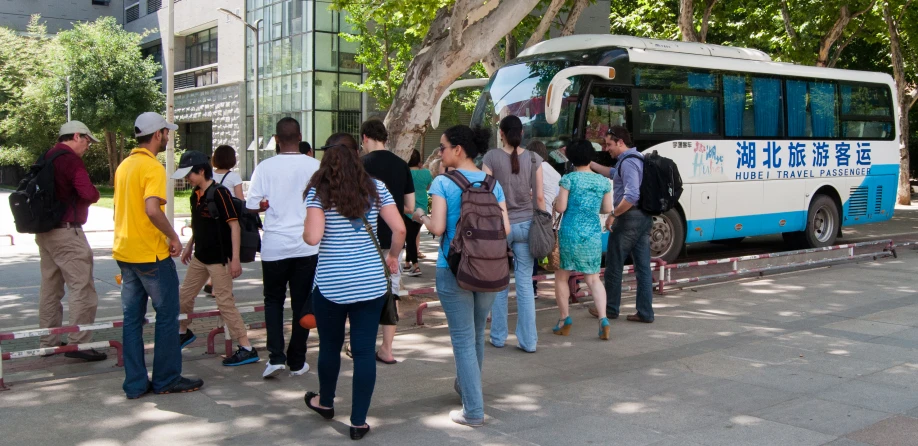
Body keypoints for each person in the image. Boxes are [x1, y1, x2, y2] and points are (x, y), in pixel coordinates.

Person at [302, 133, 406, 441]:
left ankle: (325, 402)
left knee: (330, 347)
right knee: (363, 352)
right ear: (356, 154)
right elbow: (399, 228)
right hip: (370, 284)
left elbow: (313, 238)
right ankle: (358, 422)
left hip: (332, 285)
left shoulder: (319, 191)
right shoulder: (375, 187)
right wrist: (392, 257)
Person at [412, 125, 510, 427]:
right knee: (476, 335)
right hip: (491, 269)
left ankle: (473, 411)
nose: (439, 152)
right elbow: (505, 229)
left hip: (454, 270)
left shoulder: (442, 183)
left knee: (464, 340)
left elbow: (439, 228)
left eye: (442, 146)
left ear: (458, 149)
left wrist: (420, 216)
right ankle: (468, 389)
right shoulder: (493, 183)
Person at [114, 112, 203, 398]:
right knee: (167, 317)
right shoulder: (152, 168)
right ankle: (166, 379)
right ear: (156, 135)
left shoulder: (124, 166)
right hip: (150, 255)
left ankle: (135, 384)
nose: (168, 137)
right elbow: (152, 209)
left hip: (125, 252)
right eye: (166, 133)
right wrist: (174, 236)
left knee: (132, 320)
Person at [246, 117, 321, 378]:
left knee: (273, 301)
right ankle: (297, 360)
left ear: (276, 140)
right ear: (300, 137)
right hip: (307, 246)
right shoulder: (315, 166)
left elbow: (251, 205)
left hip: (274, 246)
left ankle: (275, 357)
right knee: (302, 303)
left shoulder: (265, 167)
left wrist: (266, 205)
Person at [172, 151, 258, 366]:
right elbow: (199, 226)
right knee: (184, 296)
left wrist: (235, 259)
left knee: (224, 302)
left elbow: (234, 226)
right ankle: (183, 331)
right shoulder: (195, 195)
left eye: (189, 173)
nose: (186, 178)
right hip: (200, 257)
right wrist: (189, 246)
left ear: (201, 171)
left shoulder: (220, 193)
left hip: (220, 259)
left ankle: (247, 347)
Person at [35, 121, 106, 361]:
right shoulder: (71, 160)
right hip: (67, 232)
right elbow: (88, 192)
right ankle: (79, 344)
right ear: (76, 136)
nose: (88, 145)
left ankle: (49, 341)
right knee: (82, 287)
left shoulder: (47, 156)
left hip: (45, 232)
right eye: (87, 140)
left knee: (50, 288)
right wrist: (95, 193)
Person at [481, 115, 544, 353]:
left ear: (501, 133)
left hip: (500, 226)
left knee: (500, 283)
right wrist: (543, 221)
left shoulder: (491, 157)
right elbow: (538, 197)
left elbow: (486, 193)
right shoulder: (534, 158)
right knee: (525, 283)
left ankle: (498, 337)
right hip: (527, 224)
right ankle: (528, 342)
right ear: (522, 134)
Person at [360, 119, 414, 365]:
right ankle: (387, 349)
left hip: (363, 239)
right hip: (394, 238)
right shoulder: (402, 165)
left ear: (364, 138)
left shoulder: (359, 165)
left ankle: (362, 343)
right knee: (391, 291)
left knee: (364, 292)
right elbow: (410, 207)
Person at [588, 126, 655, 323]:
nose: (607, 148)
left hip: (629, 218)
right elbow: (612, 173)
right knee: (643, 267)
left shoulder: (628, 163)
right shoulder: (631, 160)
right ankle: (645, 312)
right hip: (643, 218)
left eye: (609, 144)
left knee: (614, 265)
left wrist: (613, 215)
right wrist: (590, 164)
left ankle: (610, 309)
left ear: (620, 142)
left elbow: (632, 195)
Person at [552, 140, 614, 339]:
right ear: (590, 157)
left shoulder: (569, 179)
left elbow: (560, 208)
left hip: (570, 232)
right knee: (593, 279)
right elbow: (606, 209)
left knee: (562, 276)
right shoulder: (603, 182)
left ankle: (564, 319)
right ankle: (603, 319)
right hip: (592, 235)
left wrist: (555, 203)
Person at [205, 145, 244, 296]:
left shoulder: (210, 177)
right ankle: (219, 289)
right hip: (229, 221)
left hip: (211, 221)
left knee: (215, 255)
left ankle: (211, 282)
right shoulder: (234, 177)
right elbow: (240, 200)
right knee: (228, 257)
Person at [525, 140, 562, 293]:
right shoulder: (555, 172)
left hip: (541, 218)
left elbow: (532, 194)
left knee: (532, 252)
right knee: (560, 256)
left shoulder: (535, 169)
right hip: (555, 220)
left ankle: (532, 289)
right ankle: (575, 286)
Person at [403, 149, 433, 276]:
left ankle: (415, 266)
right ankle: (407, 262)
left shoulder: (405, 173)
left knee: (409, 238)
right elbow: (430, 188)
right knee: (412, 235)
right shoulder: (426, 173)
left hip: (407, 209)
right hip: (422, 210)